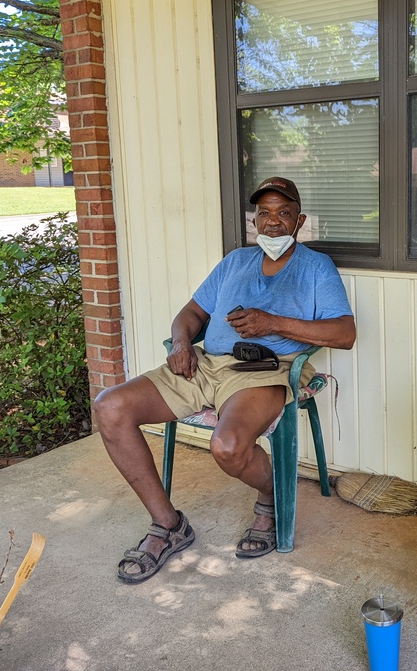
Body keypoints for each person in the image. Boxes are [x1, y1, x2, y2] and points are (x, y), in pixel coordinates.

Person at [95, 176, 356, 582]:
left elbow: (345, 334)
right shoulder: (234, 261)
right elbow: (191, 315)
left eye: (283, 213)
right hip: (205, 364)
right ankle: (168, 525)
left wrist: (273, 323)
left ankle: (270, 493)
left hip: (266, 370)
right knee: (109, 407)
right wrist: (180, 343)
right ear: (254, 220)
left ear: (299, 221)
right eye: (264, 214)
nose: (273, 223)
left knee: (228, 447)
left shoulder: (316, 267)